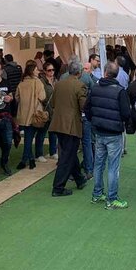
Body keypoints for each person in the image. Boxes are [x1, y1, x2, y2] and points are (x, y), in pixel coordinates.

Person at [85, 61, 131, 209]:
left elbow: (87, 108)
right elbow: (126, 113)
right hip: (113, 132)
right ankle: (111, 198)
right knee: (113, 166)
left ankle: (97, 194)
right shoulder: (120, 90)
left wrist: (95, 121)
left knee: (99, 164)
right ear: (117, 74)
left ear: (105, 72)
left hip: (99, 131)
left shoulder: (95, 87)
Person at [49, 59, 88, 196]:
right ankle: (58, 187)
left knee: (69, 153)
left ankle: (79, 179)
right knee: (67, 156)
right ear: (80, 72)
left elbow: (53, 103)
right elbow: (84, 106)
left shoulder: (59, 84)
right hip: (71, 125)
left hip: (58, 123)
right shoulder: (80, 85)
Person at [16, 60, 48, 169]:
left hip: (23, 115)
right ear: (32, 71)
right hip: (34, 114)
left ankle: (27, 159)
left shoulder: (21, 83)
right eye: (36, 69)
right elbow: (42, 97)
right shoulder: (38, 82)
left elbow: (17, 98)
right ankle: (27, 159)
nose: (38, 71)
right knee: (29, 138)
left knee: (27, 138)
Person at [40, 60, 58, 160]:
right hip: (45, 110)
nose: (51, 72)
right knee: (42, 133)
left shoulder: (55, 80)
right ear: (45, 71)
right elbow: (41, 96)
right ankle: (39, 154)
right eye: (49, 70)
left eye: (53, 70)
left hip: (54, 111)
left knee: (53, 133)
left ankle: (53, 152)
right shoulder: (42, 81)